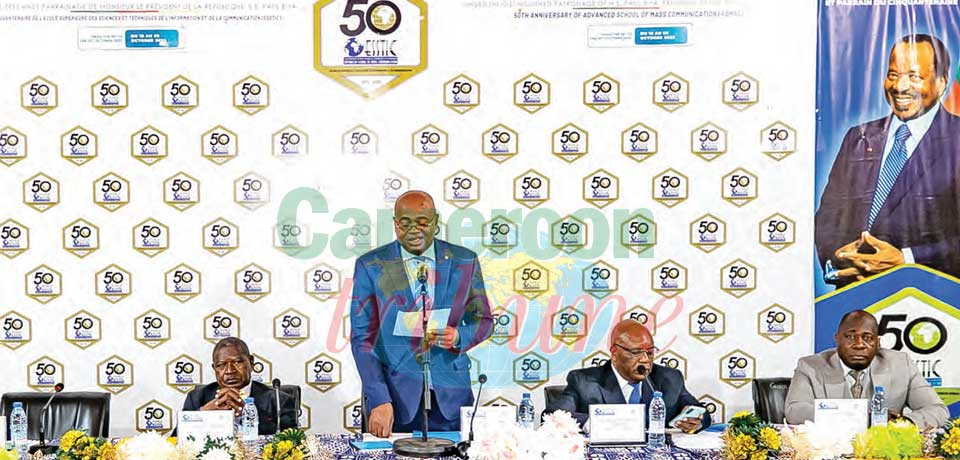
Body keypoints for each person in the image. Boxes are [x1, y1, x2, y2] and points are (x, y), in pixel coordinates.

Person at [816, 34, 960, 287]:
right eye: (893, 75)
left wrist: (906, 260)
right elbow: (828, 217)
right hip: (854, 295)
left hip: (929, 297)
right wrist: (840, 259)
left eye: (914, 76)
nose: (900, 86)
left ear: (941, 83)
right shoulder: (858, 137)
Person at [350, 190, 493, 437]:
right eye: (405, 223)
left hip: (451, 400)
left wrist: (458, 336)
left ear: (436, 222)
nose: (414, 230)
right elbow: (362, 338)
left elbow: (485, 321)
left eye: (423, 222)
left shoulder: (464, 261)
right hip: (394, 402)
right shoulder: (371, 265)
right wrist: (379, 398)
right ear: (395, 224)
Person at [784, 310, 947, 429]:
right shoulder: (811, 366)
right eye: (850, 337)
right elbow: (795, 411)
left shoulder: (901, 364)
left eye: (867, 338)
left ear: (878, 343)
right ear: (837, 339)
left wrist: (902, 423)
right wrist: (862, 417)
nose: (859, 344)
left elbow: (938, 410)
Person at [545, 319, 710, 433]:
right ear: (614, 353)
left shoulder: (669, 378)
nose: (645, 360)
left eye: (650, 353)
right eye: (636, 352)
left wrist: (696, 421)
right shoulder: (584, 381)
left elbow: (701, 412)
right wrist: (595, 423)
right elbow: (552, 415)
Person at [181, 337, 297, 434]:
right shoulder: (196, 397)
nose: (230, 371)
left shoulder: (278, 400)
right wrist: (202, 414)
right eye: (221, 365)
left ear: (251, 362)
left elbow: (290, 440)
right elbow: (176, 439)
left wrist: (247, 414)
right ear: (214, 368)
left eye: (237, 362)